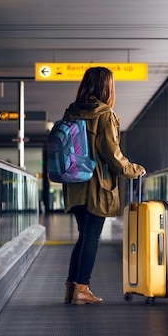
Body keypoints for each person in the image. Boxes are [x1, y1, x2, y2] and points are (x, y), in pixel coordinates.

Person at [61, 66, 145, 305]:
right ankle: (82, 288)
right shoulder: (105, 115)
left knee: (84, 236)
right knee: (91, 238)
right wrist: (135, 169)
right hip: (97, 187)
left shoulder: (71, 113)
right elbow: (113, 155)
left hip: (75, 184)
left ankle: (71, 287)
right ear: (106, 87)